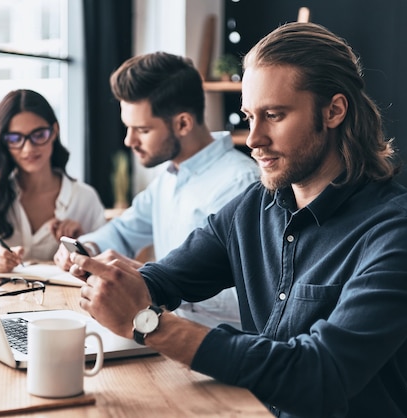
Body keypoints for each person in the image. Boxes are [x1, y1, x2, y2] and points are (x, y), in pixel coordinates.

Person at [69, 22, 407, 417]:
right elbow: (167, 279)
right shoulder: (254, 206)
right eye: (250, 116)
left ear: (334, 111)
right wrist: (117, 284)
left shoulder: (405, 230)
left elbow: (318, 374)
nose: (253, 139)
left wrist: (150, 323)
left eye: (273, 115)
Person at [53, 51, 259, 328]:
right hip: (163, 333)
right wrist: (86, 248)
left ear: (183, 123)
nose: (129, 140)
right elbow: (124, 230)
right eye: (128, 127)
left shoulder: (242, 185)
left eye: (142, 130)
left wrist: (157, 284)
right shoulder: (169, 177)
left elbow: (252, 299)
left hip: (215, 347)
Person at [0, 89, 105, 274]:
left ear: (54, 132)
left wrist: (83, 243)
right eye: (15, 138)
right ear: (4, 142)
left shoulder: (84, 198)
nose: (28, 148)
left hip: (63, 301)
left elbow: (106, 258)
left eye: (39, 135)